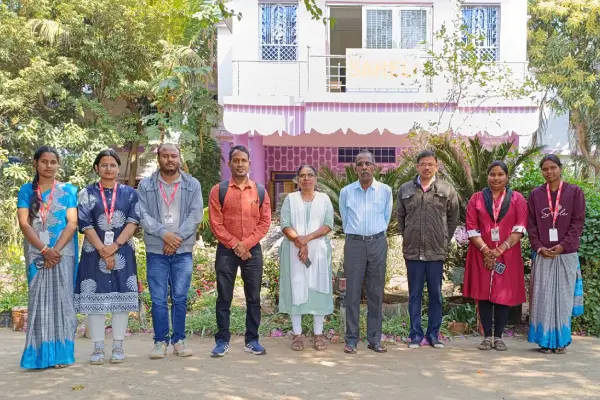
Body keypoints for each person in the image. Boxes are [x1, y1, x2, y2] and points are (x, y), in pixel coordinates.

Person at [75, 149, 141, 364]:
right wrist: (103, 250)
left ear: (118, 168)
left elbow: (133, 222)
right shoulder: (86, 193)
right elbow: (85, 224)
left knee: (120, 299)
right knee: (96, 299)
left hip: (123, 251)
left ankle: (118, 346)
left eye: (113, 165)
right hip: (93, 253)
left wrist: (114, 246)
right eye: (104, 164)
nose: (108, 168)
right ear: (97, 168)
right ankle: (97, 348)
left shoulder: (130, 193)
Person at [138, 143, 203, 359]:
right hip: (156, 250)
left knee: (180, 297)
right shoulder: (146, 185)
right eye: (165, 156)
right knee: (158, 299)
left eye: (173, 156)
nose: (169, 160)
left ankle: (179, 340)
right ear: (159, 158)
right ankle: (160, 341)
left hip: (182, 251)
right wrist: (164, 234)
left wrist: (176, 238)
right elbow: (143, 215)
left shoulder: (192, 184)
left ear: (179, 158)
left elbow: (195, 215)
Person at [16, 146, 78, 369]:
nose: (49, 166)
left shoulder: (68, 191)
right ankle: (39, 357)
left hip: (62, 253)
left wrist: (56, 249)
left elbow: (72, 222)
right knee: (39, 302)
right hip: (37, 252)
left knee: (63, 301)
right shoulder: (26, 190)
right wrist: (45, 250)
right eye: (44, 161)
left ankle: (62, 355)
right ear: (35, 163)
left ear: (58, 164)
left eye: (53, 162)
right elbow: (24, 223)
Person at [208, 145, 271, 357]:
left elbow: (264, 222)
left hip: (252, 251)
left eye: (244, 160)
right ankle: (222, 340)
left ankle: (252, 340)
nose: (240, 164)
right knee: (224, 297)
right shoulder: (219, 190)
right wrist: (236, 245)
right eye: (236, 160)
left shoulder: (260, 191)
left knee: (253, 298)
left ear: (249, 164)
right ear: (229, 164)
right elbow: (216, 224)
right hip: (226, 250)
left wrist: (247, 244)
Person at [463, 161, 528, 351]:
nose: (496, 178)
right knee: (483, 294)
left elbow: (519, 228)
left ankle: (498, 337)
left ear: (507, 176)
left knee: (502, 294)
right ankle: (486, 337)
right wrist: (486, 250)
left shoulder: (517, 199)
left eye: (500, 174)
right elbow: (471, 228)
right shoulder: (476, 198)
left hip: (508, 253)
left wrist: (499, 250)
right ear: (487, 176)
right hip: (480, 253)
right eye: (493, 174)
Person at [397, 150, 459, 349]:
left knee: (436, 296)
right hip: (413, 252)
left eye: (430, 164)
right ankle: (415, 335)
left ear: (436, 167)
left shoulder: (447, 189)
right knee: (414, 295)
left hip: (436, 252)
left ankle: (433, 335)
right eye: (423, 164)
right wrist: (409, 236)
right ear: (417, 167)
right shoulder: (405, 189)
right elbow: (401, 218)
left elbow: (453, 218)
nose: (426, 167)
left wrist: (443, 238)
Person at [527, 154, 586, 354]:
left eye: (553, 167)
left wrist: (563, 245)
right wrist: (539, 247)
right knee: (543, 298)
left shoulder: (575, 192)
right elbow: (531, 225)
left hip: (566, 255)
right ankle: (544, 341)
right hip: (543, 254)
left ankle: (561, 341)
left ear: (560, 168)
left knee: (563, 298)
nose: (549, 172)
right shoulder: (536, 195)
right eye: (545, 169)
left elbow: (577, 223)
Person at [339, 150, 393, 354]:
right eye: (360, 164)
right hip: (354, 244)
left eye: (367, 163)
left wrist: (374, 235)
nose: (364, 167)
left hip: (377, 243)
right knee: (352, 293)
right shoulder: (346, 192)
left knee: (376, 292)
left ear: (374, 167)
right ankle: (351, 339)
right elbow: (345, 218)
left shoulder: (385, 191)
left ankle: (374, 339)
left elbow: (386, 217)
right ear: (355, 169)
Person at [279, 165, 334, 351]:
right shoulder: (290, 199)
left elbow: (328, 225)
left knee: (318, 291)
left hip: (319, 253)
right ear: (297, 180)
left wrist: (306, 240)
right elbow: (285, 224)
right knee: (296, 289)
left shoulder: (324, 199)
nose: (306, 178)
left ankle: (318, 334)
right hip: (293, 251)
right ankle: (297, 335)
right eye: (302, 175)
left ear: (316, 179)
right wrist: (300, 243)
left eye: (310, 175)